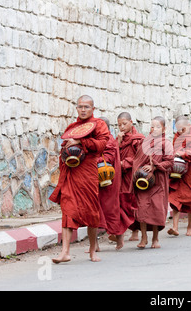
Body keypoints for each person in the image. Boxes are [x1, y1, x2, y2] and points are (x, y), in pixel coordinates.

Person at [49, 95, 110, 263]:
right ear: (76, 108)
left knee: (91, 212)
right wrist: (68, 148)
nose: (83, 110)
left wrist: (80, 141)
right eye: (80, 107)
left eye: (86, 107)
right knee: (68, 210)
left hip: (88, 173)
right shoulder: (73, 127)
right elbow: (65, 146)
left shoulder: (99, 125)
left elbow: (102, 145)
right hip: (72, 173)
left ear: (93, 109)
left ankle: (92, 250)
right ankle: (65, 252)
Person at [131, 116, 174, 249]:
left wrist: (155, 166)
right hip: (143, 181)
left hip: (158, 181)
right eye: (152, 126)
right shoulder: (145, 142)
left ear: (164, 129)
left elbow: (169, 162)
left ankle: (155, 238)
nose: (154, 129)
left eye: (157, 127)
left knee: (156, 209)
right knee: (142, 208)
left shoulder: (165, 143)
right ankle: (144, 237)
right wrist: (138, 171)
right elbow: (137, 160)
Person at [168, 116, 191, 237]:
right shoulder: (177, 136)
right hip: (178, 171)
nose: (179, 132)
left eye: (182, 129)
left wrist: (183, 153)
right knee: (175, 198)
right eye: (177, 129)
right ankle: (175, 227)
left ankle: (190, 227)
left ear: (188, 126)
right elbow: (174, 149)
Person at [96, 117, 123, 250]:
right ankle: (94, 244)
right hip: (97, 179)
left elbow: (108, 157)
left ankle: (119, 240)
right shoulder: (98, 139)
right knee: (95, 210)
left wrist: (93, 160)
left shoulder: (110, 140)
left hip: (109, 180)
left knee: (111, 210)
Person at [117, 112, 145, 242]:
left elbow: (140, 157)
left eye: (124, 124)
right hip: (120, 175)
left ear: (131, 122)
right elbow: (112, 153)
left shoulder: (138, 138)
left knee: (133, 202)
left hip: (132, 174)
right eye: (119, 125)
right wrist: (118, 142)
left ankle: (135, 231)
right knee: (121, 202)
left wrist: (125, 162)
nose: (122, 127)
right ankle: (120, 232)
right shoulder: (119, 138)